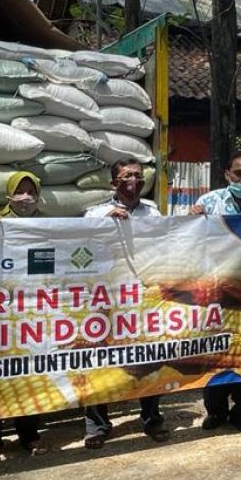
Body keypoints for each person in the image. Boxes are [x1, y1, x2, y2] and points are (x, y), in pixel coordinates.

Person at [81, 158, 170, 446]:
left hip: (142, 294)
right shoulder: (95, 213)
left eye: (138, 174)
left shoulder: (153, 212)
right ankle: (97, 426)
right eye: (127, 175)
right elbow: (81, 245)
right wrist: (107, 220)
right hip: (105, 296)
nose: (134, 179)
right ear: (113, 183)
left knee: (149, 357)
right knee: (98, 358)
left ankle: (151, 419)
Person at [189, 151, 241, 434]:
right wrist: (191, 219)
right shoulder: (208, 202)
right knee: (215, 352)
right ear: (227, 174)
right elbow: (188, 239)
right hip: (214, 289)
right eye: (239, 173)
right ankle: (215, 411)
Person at [0, 171, 49, 463]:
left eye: (31, 191)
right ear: (8, 195)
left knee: (28, 373)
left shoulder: (48, 226)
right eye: (19, 191)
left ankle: (29, 434)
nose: (25, 197)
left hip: (32, 309)